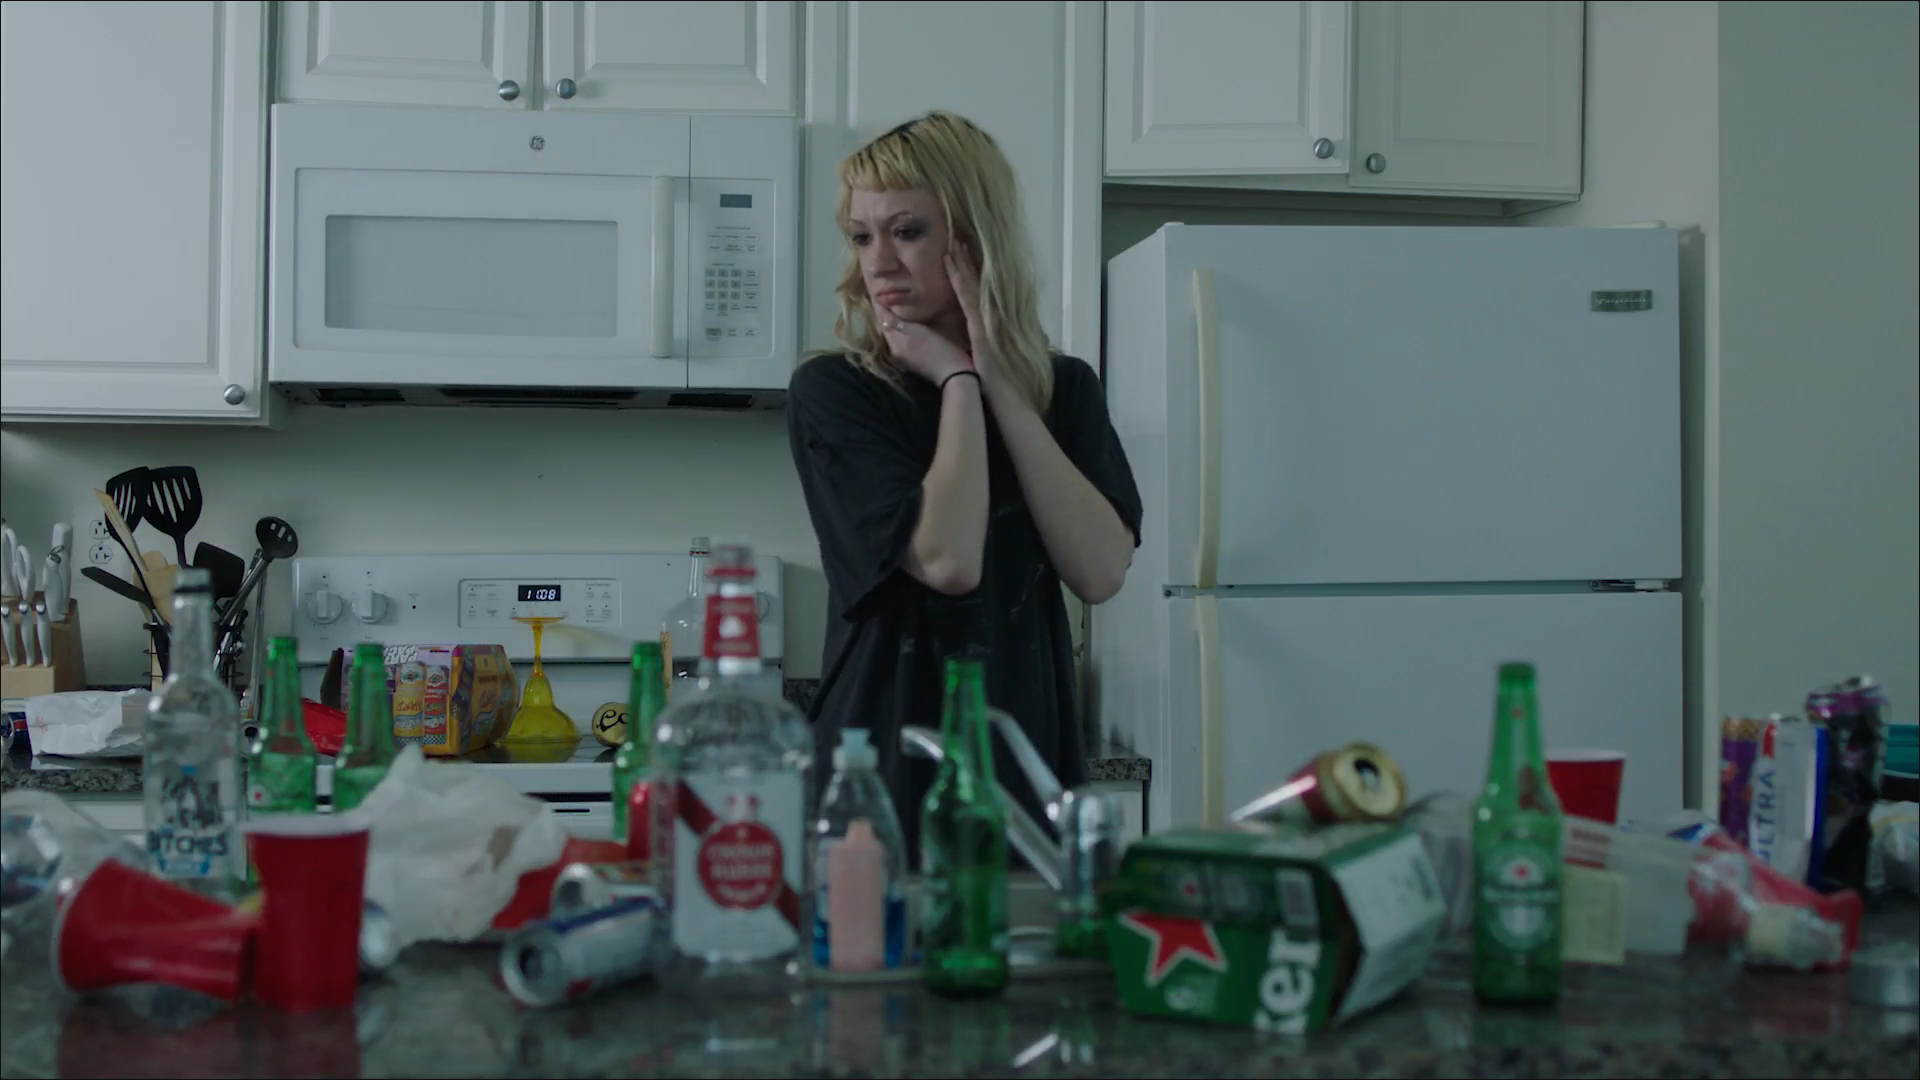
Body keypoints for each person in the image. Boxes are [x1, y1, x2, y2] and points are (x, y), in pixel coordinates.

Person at [786, 111, 1143, 860]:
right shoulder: (837, 391)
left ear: (975, 239)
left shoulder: (1065, 391)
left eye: (908, 231)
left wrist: (1000, 384)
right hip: (879, 774)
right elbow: (948, 561)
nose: (880, 262)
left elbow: (1100, 570)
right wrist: (956, 380)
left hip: (1026, 762)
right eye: (862, 236)